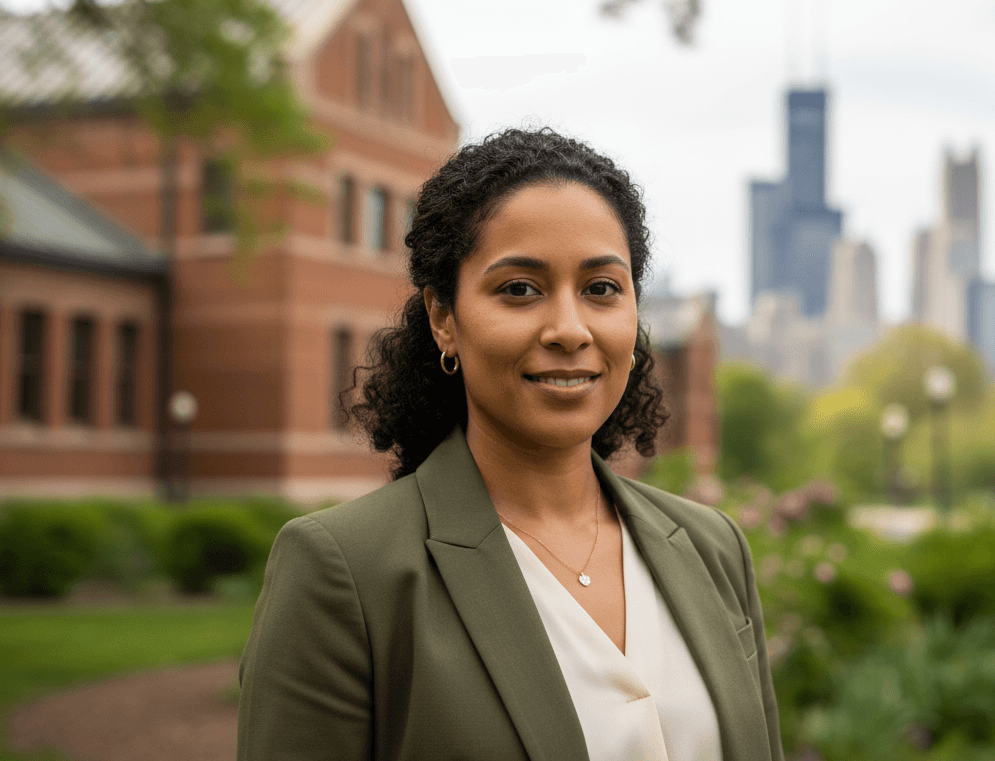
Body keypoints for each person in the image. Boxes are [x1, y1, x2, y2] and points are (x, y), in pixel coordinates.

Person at [236, 129, 782, 761]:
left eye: (602, 288)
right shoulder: (347, 574)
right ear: (444, 318)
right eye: (520, 289)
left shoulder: (713, 548)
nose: (570, 329)